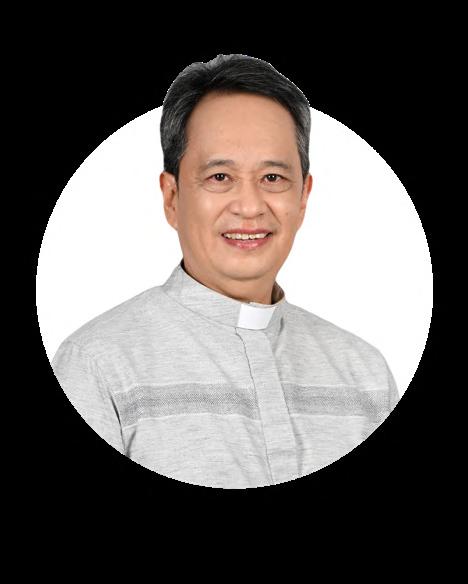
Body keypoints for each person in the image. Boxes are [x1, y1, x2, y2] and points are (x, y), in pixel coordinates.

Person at [51, 53, 400, 489]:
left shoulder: (365, 376)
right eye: (219, 177)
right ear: (172, 197)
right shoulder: (97, 367)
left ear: (303, 197)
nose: (250, 207)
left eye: (273, 178)